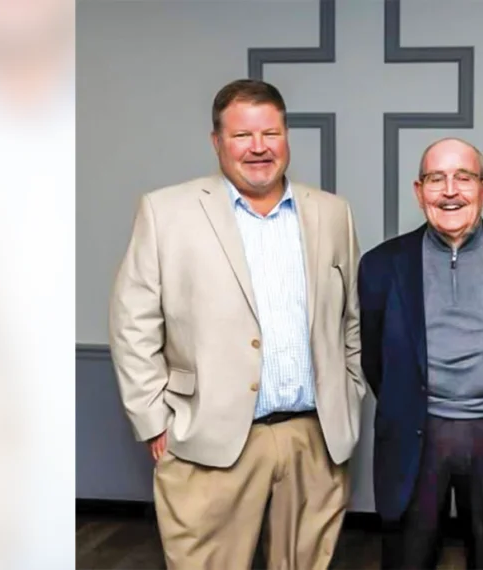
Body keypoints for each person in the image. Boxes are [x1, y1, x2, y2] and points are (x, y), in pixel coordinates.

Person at [107, 78, 366, 570]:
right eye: (242, 135)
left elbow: (351, 320)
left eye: (270, 133)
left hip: (313, 440)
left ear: (287, 136)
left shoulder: (333, 213)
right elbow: (132, 322)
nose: (259, 148)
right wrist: (153, 418)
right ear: (216, 142)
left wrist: (348, 400)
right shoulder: (167, 212)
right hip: (208, 441)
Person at [358, 138, 483, 569]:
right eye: (436, 179)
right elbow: (374, 358)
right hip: (416, 438)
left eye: (464, 177)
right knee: (409, 558)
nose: (450, 190)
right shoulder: (382, 265)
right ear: (419, 191)